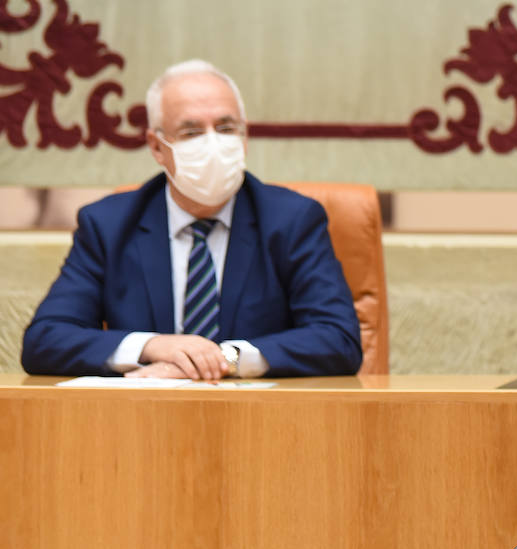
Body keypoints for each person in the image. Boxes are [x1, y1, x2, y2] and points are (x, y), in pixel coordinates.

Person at [21, 59, 362, 379]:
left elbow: (338, 338)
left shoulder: (292, 220)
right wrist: (153, 346)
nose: (213, 143)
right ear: (157, 147)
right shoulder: (109, 224)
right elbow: (45, 340)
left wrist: (223, 360)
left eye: (226, 128)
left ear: (244, 139)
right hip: (146, 421)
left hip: (263, 422)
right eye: (192, 132)